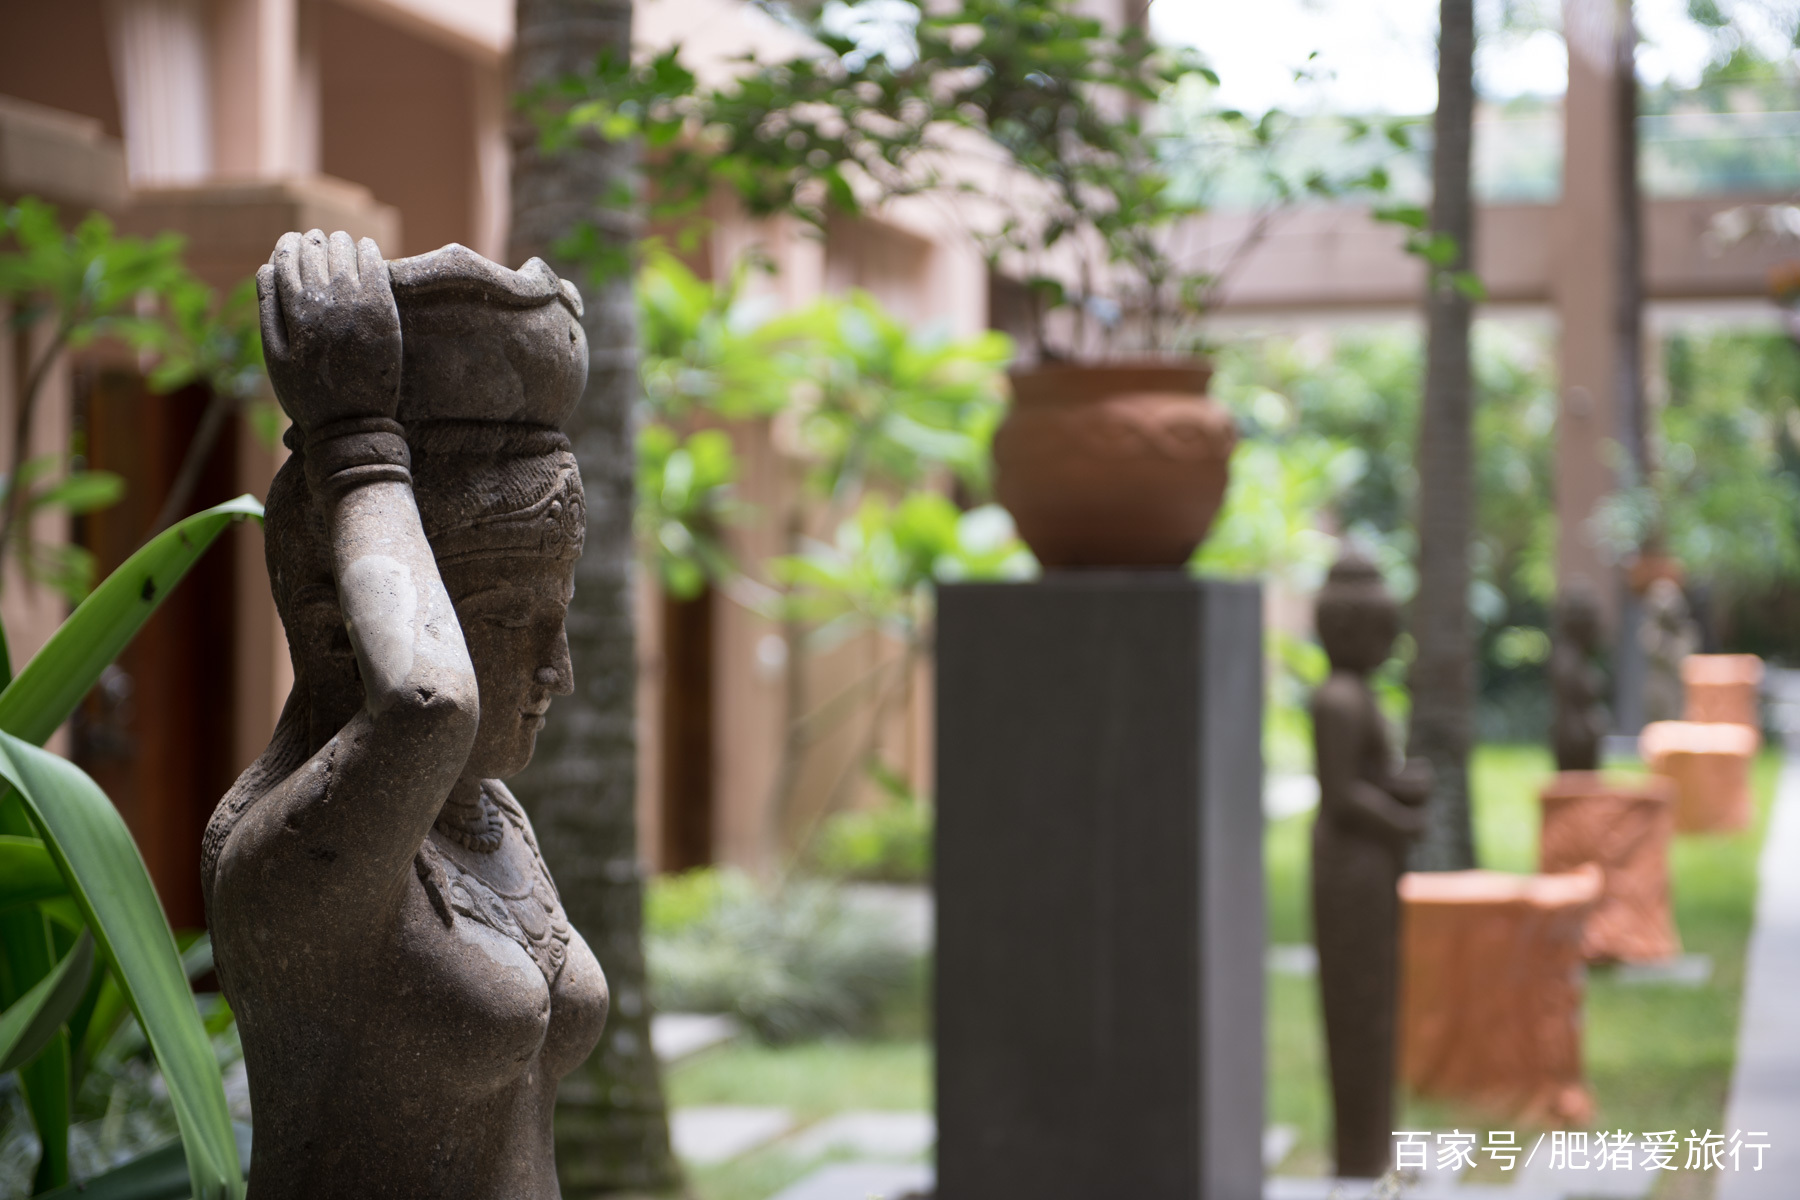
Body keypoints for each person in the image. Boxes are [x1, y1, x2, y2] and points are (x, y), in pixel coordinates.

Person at [202, 230, 607, 1197]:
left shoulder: (489, 816)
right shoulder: (289, 855)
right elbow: (427, 704)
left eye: (561, 620)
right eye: (510, 621)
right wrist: (355, 448)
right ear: (343, 626)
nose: (558, 670)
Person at [1310, 552, 1431, 1181]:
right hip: (1348, 867)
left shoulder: (1358, 698)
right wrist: (1399, 818)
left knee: (1377, 1006)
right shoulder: (1336, 700)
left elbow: (1370, 777)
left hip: (1371, 867)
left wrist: (1404, 785)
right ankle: (1358, 1151)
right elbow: (1342, 794)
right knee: (1355, 1007)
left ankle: (1377, 1147)